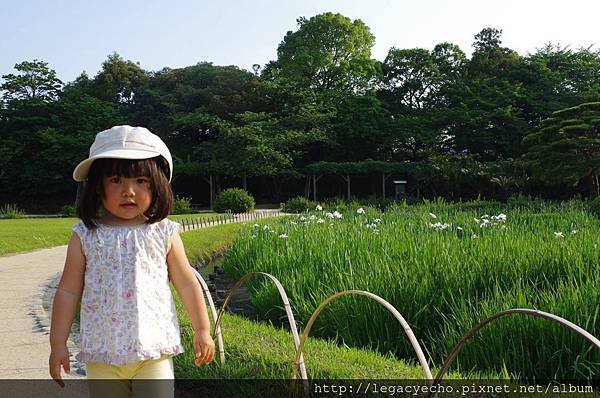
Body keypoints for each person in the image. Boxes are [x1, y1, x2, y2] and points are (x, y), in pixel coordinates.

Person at [48, 125, 215, 397]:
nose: (129, 191)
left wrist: (202, 329)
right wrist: (58, 343)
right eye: (116, 180)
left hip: (153, 353)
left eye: (141, 181)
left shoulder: (163, 233)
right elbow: (68, 291)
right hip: (103, 356)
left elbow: (186, 282)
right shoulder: (86, 236)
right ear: (97, 187)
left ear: (157, 184)